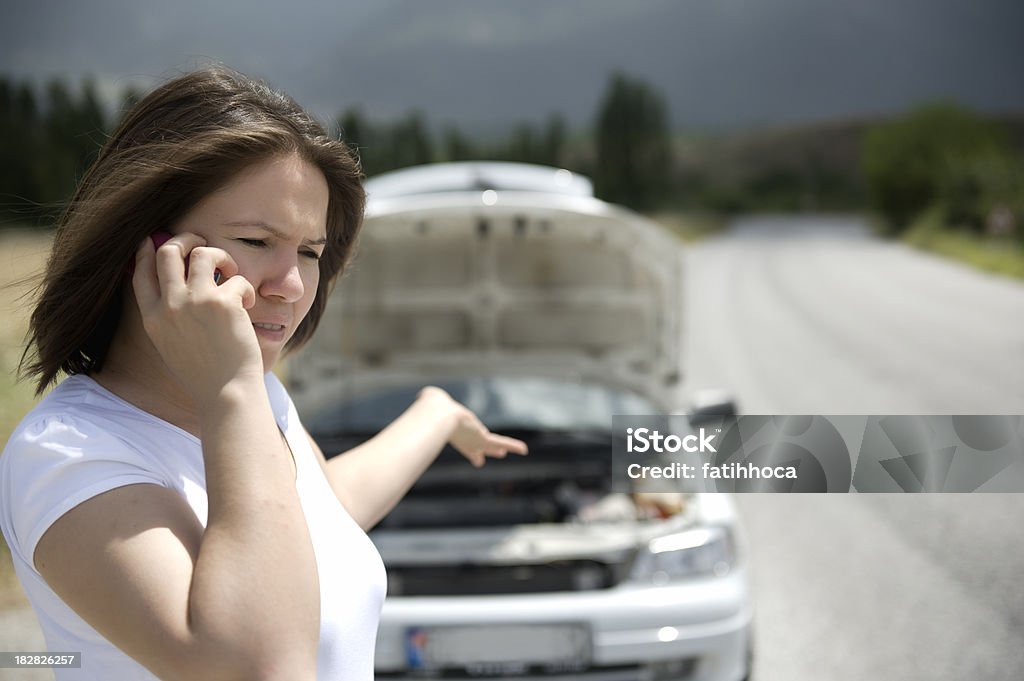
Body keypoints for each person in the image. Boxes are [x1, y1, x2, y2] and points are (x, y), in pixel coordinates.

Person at [0, 66, 528, 681]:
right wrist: (230, 390)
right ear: (142, 252)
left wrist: (435, 415)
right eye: (255, 240)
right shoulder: (68, 455)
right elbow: (259, 666)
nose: (295, 286)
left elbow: (325, 507)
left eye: (310, 252)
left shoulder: (259, 402)